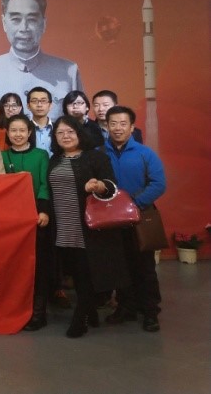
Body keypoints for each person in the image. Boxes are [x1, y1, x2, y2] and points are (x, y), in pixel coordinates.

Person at [46, 116, 130, 338]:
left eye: (70, 132)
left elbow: (111, 186)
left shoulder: (95, 157)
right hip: (63, 225)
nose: (65, 136)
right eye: (60, 133)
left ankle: (80, 318)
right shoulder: (54, 159)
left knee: (86, 273)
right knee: (74, 271)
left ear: (79, 133)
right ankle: (90, 311)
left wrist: (99, 186)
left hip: (87, 227)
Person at [0, 0, 83, 111]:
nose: (24, 28)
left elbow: (80, 120)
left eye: (32, 19)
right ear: (4, 23)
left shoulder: (69, 71)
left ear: (43, 24)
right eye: (16, 19)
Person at [103, 106, 166, 332]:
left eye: (123, 124)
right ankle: (125, 307)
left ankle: (150, 312)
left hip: (140, 218)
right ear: (107, 126)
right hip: (110, 220)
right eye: (113, 123)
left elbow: (159, 184)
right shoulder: (100, 153)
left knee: (144, 268)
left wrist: (133, 205)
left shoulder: (145, 153)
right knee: (119, 267)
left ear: (132, 127)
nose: (118, 128)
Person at [2, 114, 51, 331]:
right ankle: (14, 309)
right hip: (10, 219)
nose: (18, 134)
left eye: (22, 130)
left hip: (35, 217)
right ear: (7, 133)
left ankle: (38, 313)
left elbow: (44, 184)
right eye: (13, 130)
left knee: (37, 265)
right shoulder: (1, 156)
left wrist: (43, 210)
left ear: (30, 132)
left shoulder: (41, 155)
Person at [27, 86, 55, 157]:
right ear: (28, 106)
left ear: (50, 105)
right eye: (34, 101)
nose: (39, 105)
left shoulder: (58, 128)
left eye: (43, 101)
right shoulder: (25, 129)